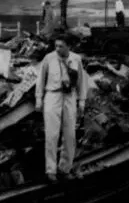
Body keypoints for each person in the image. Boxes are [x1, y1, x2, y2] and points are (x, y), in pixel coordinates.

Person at [35, 37, 89, 182]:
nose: (58, 49)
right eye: (56, 46)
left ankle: (65, 168)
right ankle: (50, 170)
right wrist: (39, 99)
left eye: (61, 46)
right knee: (52, 135)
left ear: (68, 46)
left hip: (70, 97)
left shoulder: (76, 59)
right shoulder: (49, 58)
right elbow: (40, 79)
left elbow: (81, 82)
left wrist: (82, 102)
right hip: (52, 96)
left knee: (70, 135)